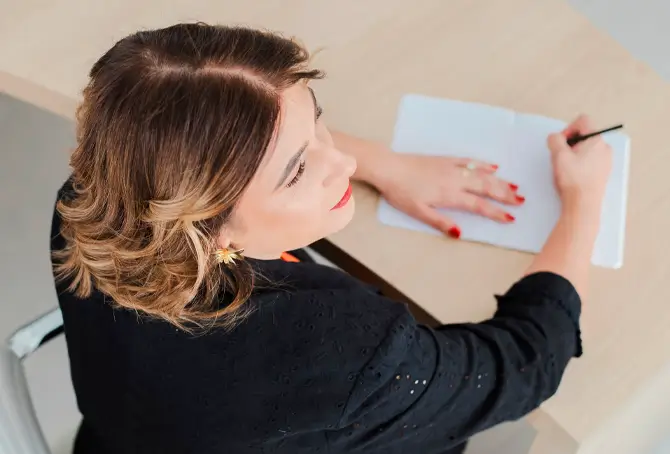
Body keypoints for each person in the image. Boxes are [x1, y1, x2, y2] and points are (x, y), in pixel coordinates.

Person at [50, 23, 611, 454]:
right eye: (297, 171)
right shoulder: (344, 347)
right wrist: (584, 202)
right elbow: (524, 365)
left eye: (317, 119)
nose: (343, 162)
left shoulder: (96, 200)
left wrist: (390, 167)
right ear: (206, 222)